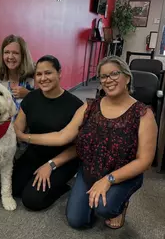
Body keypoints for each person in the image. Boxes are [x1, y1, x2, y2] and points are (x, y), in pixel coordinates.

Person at [15, 56, 157, 228]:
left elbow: (145, 161)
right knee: (77, 221)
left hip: (121, 173)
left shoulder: (143, 114)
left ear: (127, 77)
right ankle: (98, 196)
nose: (108, 80)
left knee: (105, 208)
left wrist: (109, 180)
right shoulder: (89, 107)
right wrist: (25, 137)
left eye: (114, 74)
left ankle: (120, 205)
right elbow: (62, 136)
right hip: (90, 169)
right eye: (104, 76)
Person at [12, 55, 83, 211]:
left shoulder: (76, 105)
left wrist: (51, 165)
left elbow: (77, 147)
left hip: (61, 159)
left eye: (48, 73)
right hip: (35, 153)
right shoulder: (31, 98)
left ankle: (62, 187)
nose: (43, 78)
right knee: (13, 189)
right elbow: (17, 128)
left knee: (31, 200)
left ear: (59, 73)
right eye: (39, 74)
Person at [0, 34, 35, 115]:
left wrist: (29, 95)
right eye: (6, 52)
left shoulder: (34, 76)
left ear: (23, 56)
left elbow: (46, 102)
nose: (10, 56)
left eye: (15, 53)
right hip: (0, 126)